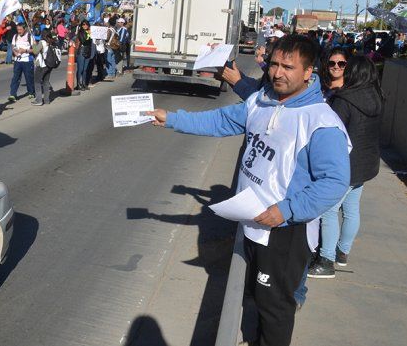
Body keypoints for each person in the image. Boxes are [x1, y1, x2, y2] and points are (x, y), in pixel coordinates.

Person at [148, 34, 351, 346]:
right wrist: (171, 119)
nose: (278, 73)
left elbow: (334, 183)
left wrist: (286, 210)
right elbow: (221, 121)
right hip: (253, 220)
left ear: (309, 72)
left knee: (275, 308)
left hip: (285, 231)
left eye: (289, 67)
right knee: (256, 297)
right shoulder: (261, 100)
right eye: (273, 65)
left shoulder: (321, 123)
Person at [308, 52, 383, 279]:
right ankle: (343, 252)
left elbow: (332, 134)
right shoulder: (376, 96)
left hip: (347, 165)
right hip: (367, 165)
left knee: (329, 211)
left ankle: (326, 260)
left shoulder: (344, 100)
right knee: (351, 210)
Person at [8, 23, 35, 102]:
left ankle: (31, 92)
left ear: (25, 29)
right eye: (18, 29)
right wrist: (15, 51)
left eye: (20, 29)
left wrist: (25, 50)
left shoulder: (30, 36)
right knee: (15, 78)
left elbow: (35, 49)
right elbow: (13, 46)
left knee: (29, 77)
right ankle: (13, 94)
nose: (19, 31)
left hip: (27, 60)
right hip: (18, 61)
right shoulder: (15, 36)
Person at [30, 30, 56, 105]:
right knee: (46, 82)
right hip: (49, 64)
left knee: (37, 82)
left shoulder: (42, 42)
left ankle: (39, 100)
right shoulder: (51, 42)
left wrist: (34, 44)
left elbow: (35, 51)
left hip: (42, 65)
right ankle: (47, 100)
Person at [75, 20, 94, 90]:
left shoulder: (90, 32)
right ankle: (78, 84)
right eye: (83, 24)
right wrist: (89, 34)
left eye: (86, 24)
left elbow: (91, 42)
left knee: (85, 69)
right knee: (80, 69)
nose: (84, 26)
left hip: (88, 50)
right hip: (82, 51)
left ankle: (84, 83)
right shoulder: (80, 32)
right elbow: (84, 41)